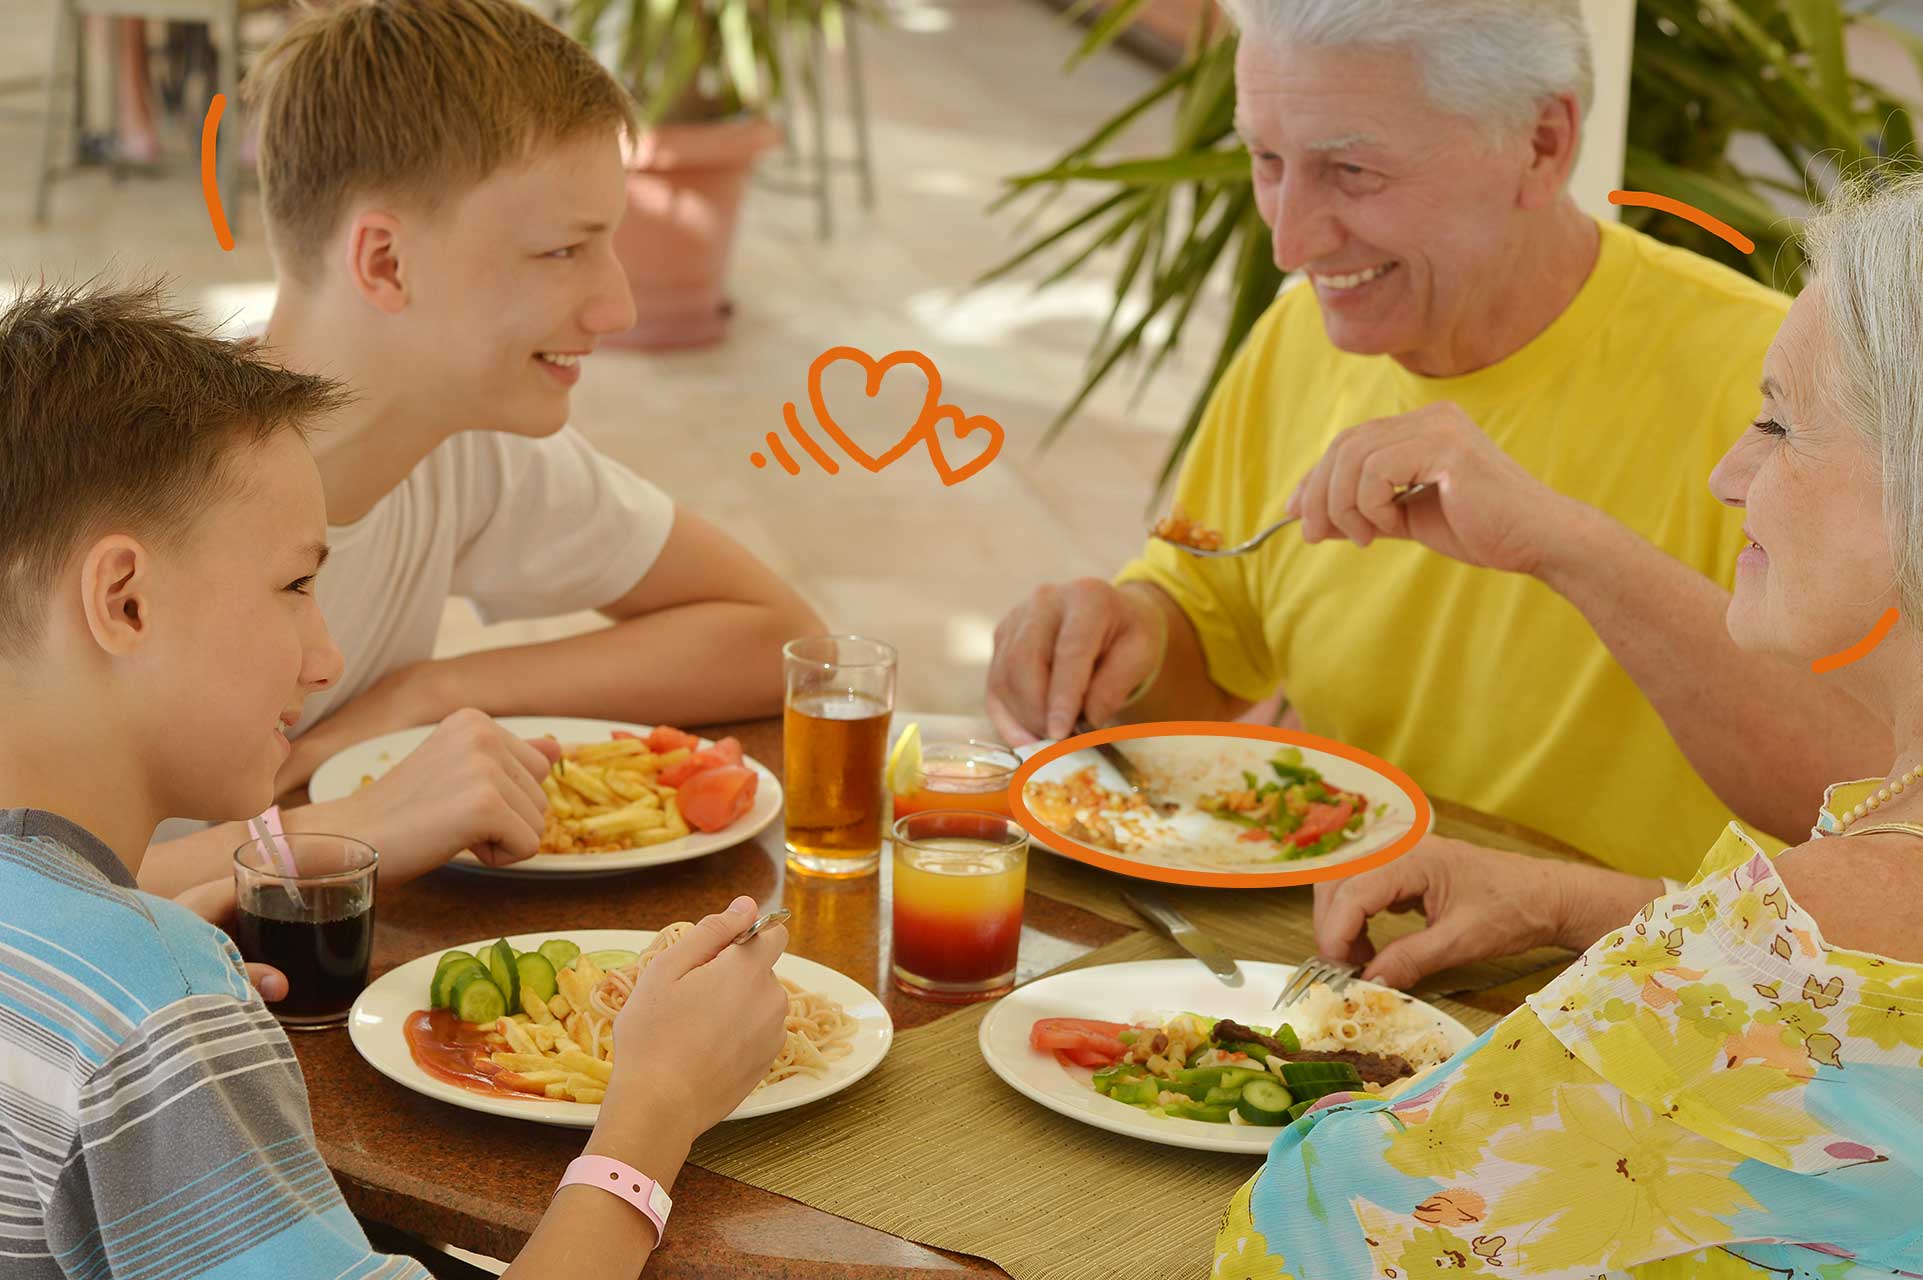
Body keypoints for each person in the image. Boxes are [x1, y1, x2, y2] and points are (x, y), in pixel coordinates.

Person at [984, 0, 1884, 889]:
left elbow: (1878, 799)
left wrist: (1566, 547)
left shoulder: (1779, 391)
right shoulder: (1301, 331)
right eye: (1266, 160)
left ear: (1541, 144)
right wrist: (1121, 640)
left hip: (1647, 1001)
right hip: (1343, 966)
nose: (1291, 239)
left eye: (1351, 171)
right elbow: (1211, 642)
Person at [0, 280, 791, 1279]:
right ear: (125, 600)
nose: (325, 657)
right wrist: (654, 1110)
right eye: (295, 585)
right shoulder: (148, 1001)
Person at [1214, 174, 1923, 1280]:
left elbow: (1311, 1237)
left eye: (1780, 424)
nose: (1729, 475)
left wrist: (1357, 1128)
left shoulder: (1785, 943)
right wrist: (1574, 901)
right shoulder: (1800, 939)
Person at [139, 0, 825, 901]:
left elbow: (778, 639)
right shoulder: (131, 494)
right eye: (563, 250)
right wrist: (349, 828)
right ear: (385, 263)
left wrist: (431, 693)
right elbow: (34, 884)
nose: (615, 306)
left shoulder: (461, 443)